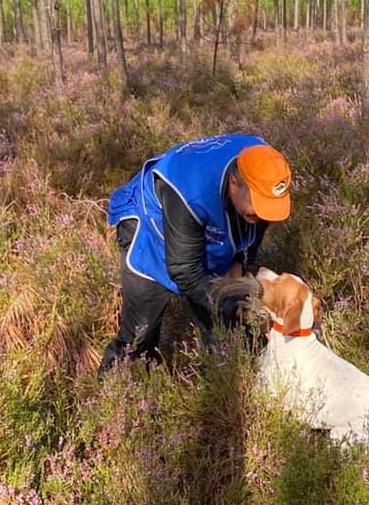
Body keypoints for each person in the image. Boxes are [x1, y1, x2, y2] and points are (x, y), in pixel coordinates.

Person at [99, 133, 292, 373]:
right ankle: (112, 385)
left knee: (223, 326)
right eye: (258, 209)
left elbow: (254, 232)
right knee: (139, 334)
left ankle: (224, 386)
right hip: (152, 229)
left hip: (201, 219)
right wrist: (237, 306)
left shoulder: (266, 167)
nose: (262, 218)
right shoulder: (191, 192)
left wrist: (242, 265)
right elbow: (185, 271)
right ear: (233, 183)